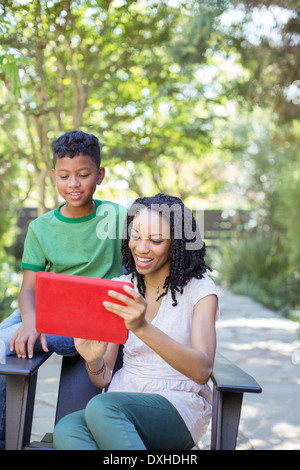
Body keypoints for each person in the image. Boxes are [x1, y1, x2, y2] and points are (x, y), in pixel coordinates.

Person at [53, 193, 218, 451]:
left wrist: (142, 327)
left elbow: (201, 371)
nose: (141, 247)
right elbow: (103, 378)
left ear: (178, 243)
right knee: (67, 429)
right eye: (136, 235)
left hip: (178, 406)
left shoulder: (200, 290)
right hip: (120, 400)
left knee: (101, 407)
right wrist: (93, 360)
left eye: (155, 240)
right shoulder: (121, 287)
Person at [0, 130, 127, 449]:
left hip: (92, 323)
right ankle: (6, 437)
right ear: (54, 175)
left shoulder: (118, 217)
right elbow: (28, 289)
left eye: (83, 175)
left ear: (99, 175)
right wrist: (30, 322)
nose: (74, 183)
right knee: (6, 342)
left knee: (5, 344)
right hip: (45, 313)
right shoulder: (41, 228)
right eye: (65, 176)